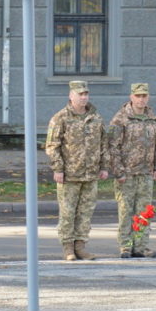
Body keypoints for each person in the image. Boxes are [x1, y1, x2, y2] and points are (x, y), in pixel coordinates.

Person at [45, 80, 109, 261]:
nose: (83, 97)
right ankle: (68, 248)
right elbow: (52, 146)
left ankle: (81, 246)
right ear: (70, 96)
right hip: (69, 175)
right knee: (67, 212)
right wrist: (58, 168)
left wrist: (104, 166)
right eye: (80, 94)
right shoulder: (60, 118)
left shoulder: (96, 117)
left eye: (85, 94)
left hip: (90, 174)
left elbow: (103, 143)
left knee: (85, 212)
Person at [109, 83, 156, 258]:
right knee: (126, 211)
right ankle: (126, 245)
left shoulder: (152, 118)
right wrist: (119, 171)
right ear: (131, 97)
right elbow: (113, 147)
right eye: (138, 96)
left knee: (144, 212)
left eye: (144, 96)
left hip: (146, 173)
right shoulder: (121, 119)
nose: (141, 99)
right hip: (127, 175)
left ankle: (140, 246)